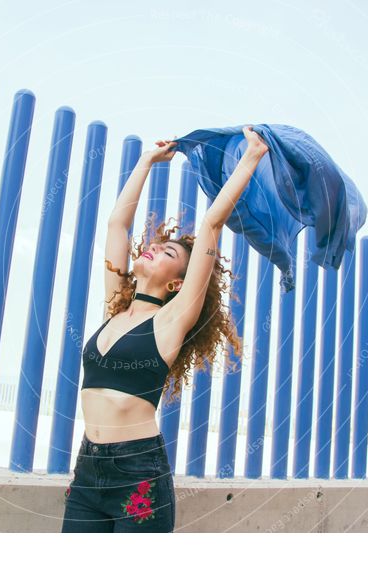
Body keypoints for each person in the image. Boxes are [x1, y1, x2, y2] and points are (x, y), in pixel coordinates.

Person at [61, 126, 269, 533]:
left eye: (168, 251)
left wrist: (251, 157)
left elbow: (211, 224)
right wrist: (145, 163)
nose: (151, 246)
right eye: (154, 245)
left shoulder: (172, 321)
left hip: (137, 469)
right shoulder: (114, 310)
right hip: (87, 470)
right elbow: (117, 227)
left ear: (178, 283)